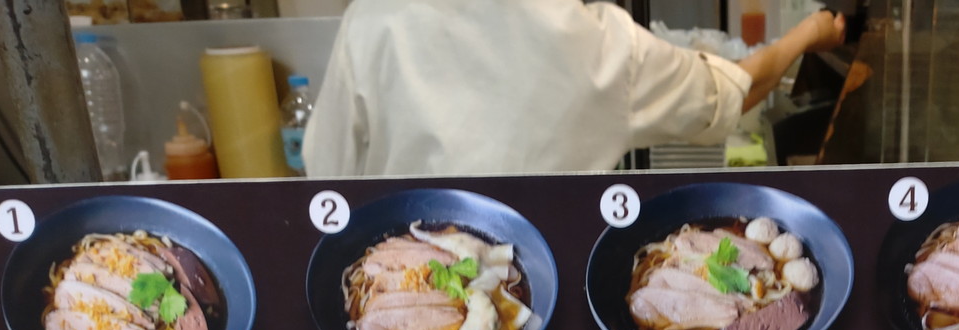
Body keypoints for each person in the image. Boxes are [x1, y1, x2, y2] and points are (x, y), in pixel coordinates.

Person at [302, 1, 846, 177]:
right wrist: (809, 33)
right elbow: (730, 91)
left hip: (397, 298)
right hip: (546, 298)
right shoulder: (587, 39)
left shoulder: (370, 17)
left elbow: (325, 172)